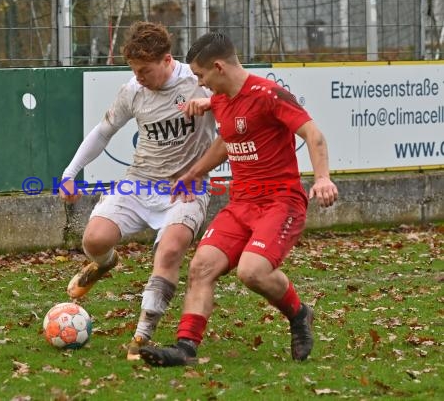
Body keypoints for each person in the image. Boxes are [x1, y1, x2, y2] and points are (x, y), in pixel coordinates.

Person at [139, 32, 338, 367]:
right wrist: (194, 173)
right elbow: (226, 142)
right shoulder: (220, 100)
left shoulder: (269, 94)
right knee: (201, 266)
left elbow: (313, 134)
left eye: (201, 76)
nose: (200, 85)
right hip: (241, 204)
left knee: (252, 271)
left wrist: (322, 178)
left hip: (280, 202)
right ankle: (185, 348)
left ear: (218, 67)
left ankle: (299, 313)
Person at [58, 21, 217, 360]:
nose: (139, 77)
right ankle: (104, 264)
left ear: (167, 60)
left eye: (145, 70)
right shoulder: (133, 90)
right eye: (135, 70)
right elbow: (103, 132)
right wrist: (70, 173)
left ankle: (143, 336)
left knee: (170, 250)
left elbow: (242, 102)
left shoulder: (199, 82)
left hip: (186, 187)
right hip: (139, 181)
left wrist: (212, 105)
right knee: (94, 240)